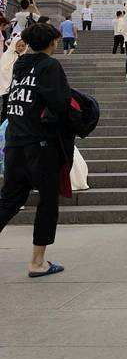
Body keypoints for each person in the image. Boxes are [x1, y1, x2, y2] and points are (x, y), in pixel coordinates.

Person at [0, 22, 74, 277]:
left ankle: (38, 261)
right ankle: (37, 262)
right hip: (40, 144)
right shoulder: (50, 65)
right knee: (47, 201)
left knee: (10, 199)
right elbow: (60, 103)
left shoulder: (20, 65)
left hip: (15, 141)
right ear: (52, 42)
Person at [0, 35, 27, 123]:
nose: (21, 48)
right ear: (14, 45)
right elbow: (3, 71)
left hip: (21, 87)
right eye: (18, 46)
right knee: (6, 107)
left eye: (23, 46)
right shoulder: (7, 55)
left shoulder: (26, 57)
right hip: (8, 87)